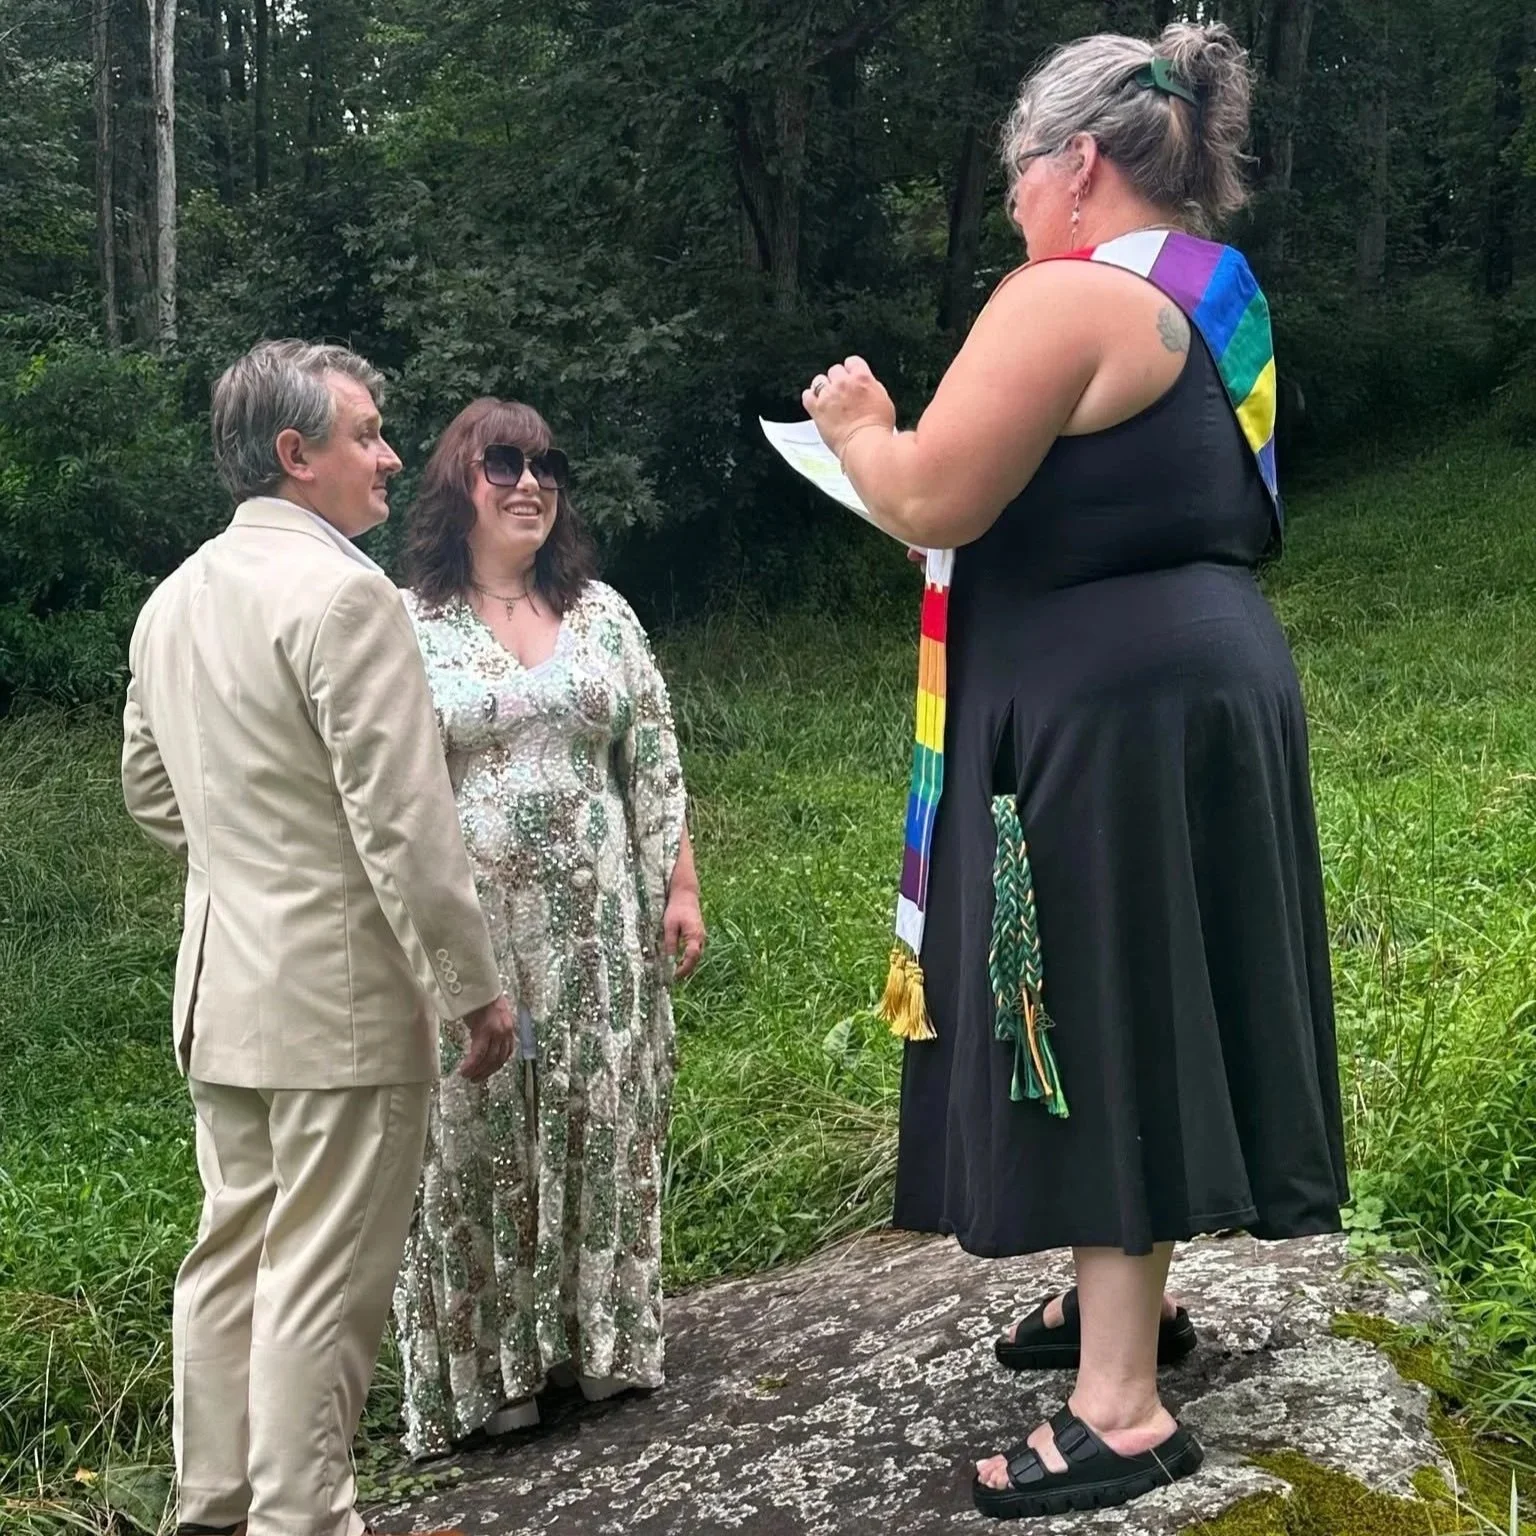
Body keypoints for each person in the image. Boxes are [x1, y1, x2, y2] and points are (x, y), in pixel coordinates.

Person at [803, 21, 1347, 1523]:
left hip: (1108, 710)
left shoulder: (1065, 295)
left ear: (1081, 161)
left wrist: (858, 430)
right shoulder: (1215, 296)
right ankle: (1129, 1307)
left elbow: (933, 494)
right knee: (1149, 992)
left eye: (1019, 178)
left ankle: (1122, 1407)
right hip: (1200, 682)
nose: (1016, 209)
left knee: (1098, 1007)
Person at [121, 340, 517, 1536]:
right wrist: (474, 987)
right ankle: (304, 1519)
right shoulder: (346, 595)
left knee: (234, 1251)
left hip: (219, 990)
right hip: (339, 1001)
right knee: (322, 1274)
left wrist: (250, 850)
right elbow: (405, 825)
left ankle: (216, 1505)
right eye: (366, 433)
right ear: (296, 454)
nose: (390, 456)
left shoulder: (174, 597)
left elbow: (150, 791)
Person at [390, 397, 704, 1458]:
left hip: (600, 936)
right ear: (459, 483)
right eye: (504, 463)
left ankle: (599, 1341)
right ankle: (496, 1373)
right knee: (478, 1139)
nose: (531, 483)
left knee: (600, 1115)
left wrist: (679, 885)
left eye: (547, 465)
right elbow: (386, 788)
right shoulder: (407, 625)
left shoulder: (602, 613)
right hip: (473, 939)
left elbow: (652, 753)